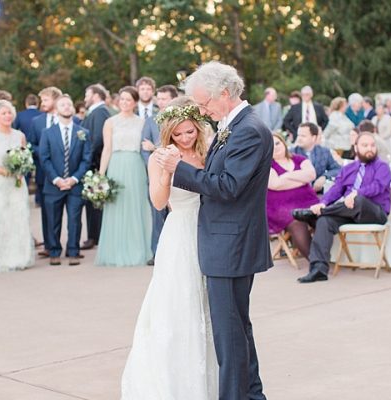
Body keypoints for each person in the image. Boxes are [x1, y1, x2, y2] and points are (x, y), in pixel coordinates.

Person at [155, 61, 271, 400]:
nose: (202, 110)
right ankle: (252, 395)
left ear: (225, 93)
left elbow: (228, 186)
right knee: (236, 328)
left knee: (229, 334)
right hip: (228, 241)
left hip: (230, 245)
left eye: (204, 103)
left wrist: (179, 169)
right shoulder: (233, 126)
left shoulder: (248, 130)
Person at [121, 97, 217, 399]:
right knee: (177, 299)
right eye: (178, 134)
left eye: (190, 131)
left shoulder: (208, 151)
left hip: (209, 230)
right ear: (168, 133)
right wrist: (167, 171)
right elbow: (159, 202)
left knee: (207, 299)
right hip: (179, 234)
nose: (185, 138)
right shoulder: (158, 157)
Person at [293, 133, 391, 283]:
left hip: (374, 213)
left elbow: (377, 187)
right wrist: (323, 202)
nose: (370, 149)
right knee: (324, 221)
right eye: (365, 145)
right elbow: (336, 189)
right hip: (349, 213)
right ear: (356, 148)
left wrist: (356, 193)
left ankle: (317, 213)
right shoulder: (348, 169)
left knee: (358, 200)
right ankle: (318, 269)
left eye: (372, 145)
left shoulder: (382, 167)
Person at [95, 86, 152, 266]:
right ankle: (115, 251)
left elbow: (145, 147)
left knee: (136, 206)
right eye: (122, 99)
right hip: (116, 165)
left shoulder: (142, 122)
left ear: (135, 102)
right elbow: (107, 149)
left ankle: (138, 250)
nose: (124, 102)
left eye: (128, 99)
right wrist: (101, 174)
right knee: (116, 206)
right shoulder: (110, 122)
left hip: (135, 166)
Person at [0, 100, 35, 272]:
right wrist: (6, 172)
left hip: (17, 183)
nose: (7, 116)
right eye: (3, 113)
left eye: (9, 112)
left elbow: (25, 157)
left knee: (18, 216)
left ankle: (19, 256)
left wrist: (21, 170)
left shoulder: (20, 135)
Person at [39, 95, 92, 266]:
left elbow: (86, 159)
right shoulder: (47, 133)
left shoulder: (83, 132)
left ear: (73, 108)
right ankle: (54, 251)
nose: (67, 107)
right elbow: (44, 158)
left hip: (75, 185)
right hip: (53, 185)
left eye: (69, 104)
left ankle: (73, 251)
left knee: (75, 220)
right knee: (53, 220)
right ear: (56, 110)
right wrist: (56, 179)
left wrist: (74, 178)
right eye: (62, 105)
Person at [140, 84, 179, 265]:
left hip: (178, 173)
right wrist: (155, 168)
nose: (161, 102)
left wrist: (154, 148)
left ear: (173, 99)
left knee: (176, 213)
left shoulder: (181, 120)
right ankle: (157, 252)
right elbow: (143, 148)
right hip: (157, 175)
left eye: (164, 98)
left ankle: (175, 251)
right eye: (159, 99)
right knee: (157, 215)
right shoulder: (151, 120)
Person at [267, 132, 319, 261]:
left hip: (308, 201)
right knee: (296, 221)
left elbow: (311, 175)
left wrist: (286, 176)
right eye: (271, 145)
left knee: (323, 219)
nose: (276, 147)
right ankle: (315, 261)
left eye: (277, 143)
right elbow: (275, 184)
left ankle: (322, 254)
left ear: (283, 143)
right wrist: (301, 178)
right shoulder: (267, 165)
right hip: (281, 207)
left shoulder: (299, 159)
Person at [30, 87, 62, 252]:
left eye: (46, 100)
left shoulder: (68, 119)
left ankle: (72, 247)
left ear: (56, 100)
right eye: (42, 100)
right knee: (47, 213)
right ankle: (50, 246)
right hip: (44, 173)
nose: (42, 103)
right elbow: (32, 144)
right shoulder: (36, 121)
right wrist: (44, 152)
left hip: (66, 173)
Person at [81, 84, 111, 250]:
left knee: (95, 201)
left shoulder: (100, 112)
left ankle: (95, 236)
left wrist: (87, 158)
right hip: (93, 162)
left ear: (96, 96)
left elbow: (98, 138)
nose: (85, 98)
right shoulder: (95, 111)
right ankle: (94, 235)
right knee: (92, 202)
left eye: (87, 94)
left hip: (95, 162)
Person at [291, 122, 341, 193]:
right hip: (296, 192)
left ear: (313, 138)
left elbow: (337, 169)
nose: (299, 138)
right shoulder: (291, 153)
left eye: (303, 136)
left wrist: (324, 177)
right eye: (298, 135)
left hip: (317, 192)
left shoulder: (324, 152)